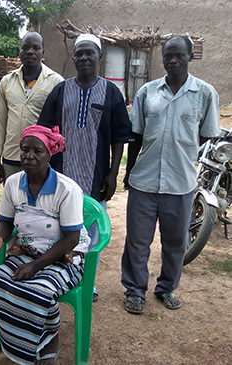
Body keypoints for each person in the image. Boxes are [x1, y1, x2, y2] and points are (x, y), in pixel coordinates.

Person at [121, 36, 220, 314]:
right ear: (162, 58)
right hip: (145, 181)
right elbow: (136, 136)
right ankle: (134, 291)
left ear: (190, 57)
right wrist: (129, 174)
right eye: (168, 56)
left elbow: (203, 135)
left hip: (180, 183)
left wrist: (181, 152)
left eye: (179, 55)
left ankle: (166, 288)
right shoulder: (148, 92)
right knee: (137, 241)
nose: (173, 60)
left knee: (175, 242)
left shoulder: (205, 93)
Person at [37, 34, 133, 301]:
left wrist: (113, 173)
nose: (83, 58)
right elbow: (44, 131)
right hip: (60, 177)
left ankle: (86, 281)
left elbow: (119, 136)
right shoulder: (60, 90)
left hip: (95, 178)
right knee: (57, 229)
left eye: (89, 53)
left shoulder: (112, 93)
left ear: (99, 57)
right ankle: (57, 277)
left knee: (91, 234)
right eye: (79, 53)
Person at [0, 125, 90, 365]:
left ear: (49, 154)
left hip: (64, 256)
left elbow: (71, 239)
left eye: (37, 151)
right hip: (28, 251)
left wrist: (35, 266)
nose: (29, 156)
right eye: (25, 150)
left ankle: (48, 339)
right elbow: (6, 223)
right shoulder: (13, 183)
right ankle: (18, 343)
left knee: (39, 291)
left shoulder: (67, 189)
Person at [0, 32, 64, 185]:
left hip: (41, 158)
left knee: (40, 203)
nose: (30, 51)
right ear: (20, 52)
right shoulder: (6, 82)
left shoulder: (56, 82)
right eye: (25, 48)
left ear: (42, 53)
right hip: (11, 156)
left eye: (35, 48)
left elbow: (61, 124)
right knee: (14, 201)